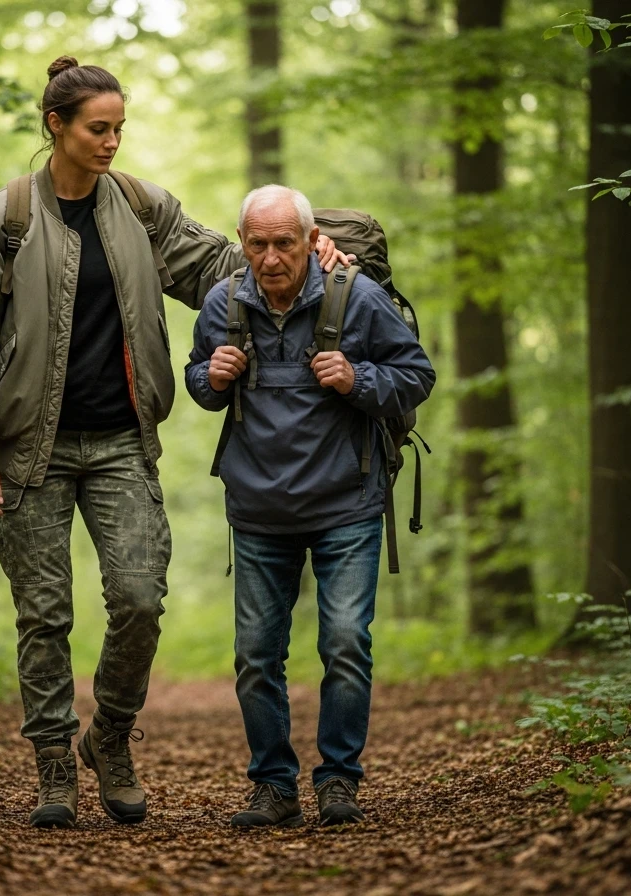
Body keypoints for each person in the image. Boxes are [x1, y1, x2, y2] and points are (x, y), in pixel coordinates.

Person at [0, 58, 349, 829]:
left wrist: (321, 249)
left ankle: (110, 737)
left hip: (124, 441)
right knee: (44, 613)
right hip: (29, 448)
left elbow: (234, 268)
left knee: (139, 600)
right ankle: (55, 766)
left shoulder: (141, 209)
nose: (113, 141)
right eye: (98, 128)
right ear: (55, 125)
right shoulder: (3, 221)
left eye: (120, 127)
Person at [185, 185, 435, 827]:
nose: (271, 258)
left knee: (347, 643)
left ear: (308, 240)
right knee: (254, 655)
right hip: (259, 509)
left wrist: (359, 379)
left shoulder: (357, 297)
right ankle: (273, 784)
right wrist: (208, 376)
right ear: (242, 244)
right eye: (257, 244)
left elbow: (417, 374)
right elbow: (200, 385)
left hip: (346, 503)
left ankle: (338, 781)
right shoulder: (222, 303)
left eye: (284, 243)